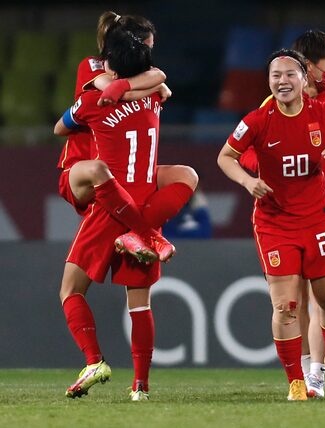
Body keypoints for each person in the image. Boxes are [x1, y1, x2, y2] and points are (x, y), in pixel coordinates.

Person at [217, 48, 325, 400]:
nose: (282, 81)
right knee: (285, 305)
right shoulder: (258, 120)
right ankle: (296, 381)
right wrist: (247, 181)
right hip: (274, 223)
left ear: (305, 80)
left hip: (319, 219)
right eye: (276, 75)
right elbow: (225, 156)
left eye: (290, 74)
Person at [54, 25, 193, 402]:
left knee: (70, 290)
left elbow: (60, 127)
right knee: (140, 302)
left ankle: (94, 360)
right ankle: (141, 387)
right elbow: (160, 82)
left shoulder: (93, 101)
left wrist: (107, 91)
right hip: (146, 201)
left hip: (108, 205)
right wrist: (138, 84)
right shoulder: (155, 99)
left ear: (111, 66)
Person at [57, 11, 197, 264]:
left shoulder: (140, 77)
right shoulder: (91, 66)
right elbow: (111, 90)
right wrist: (148, 87)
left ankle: (137, 234)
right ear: (133, 46)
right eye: (148, 47)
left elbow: (159, 74)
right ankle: (146, 234)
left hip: (115, 174)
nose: (149, 55)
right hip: (81, 169)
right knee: (70, 289)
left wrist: (152, 83)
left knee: (184, 176)